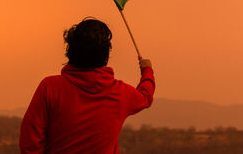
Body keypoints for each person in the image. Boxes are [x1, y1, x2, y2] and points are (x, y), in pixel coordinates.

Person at [19, 17, 155, 154]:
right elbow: (145, 96)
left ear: (70, 49)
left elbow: (30, 141)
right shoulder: (120, 93)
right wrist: (147, 71)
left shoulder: (50, 87)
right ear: (105, 54)